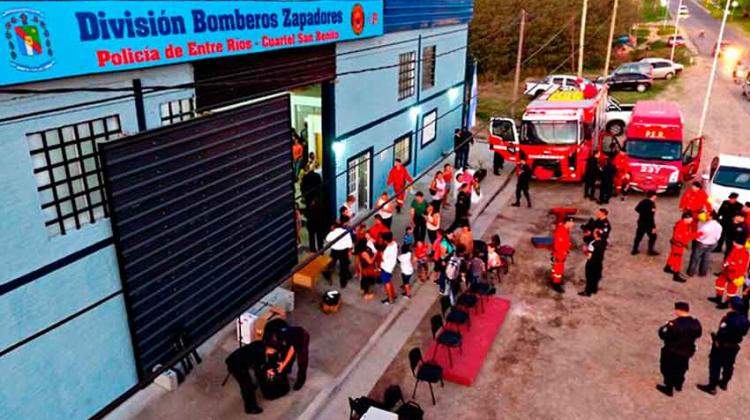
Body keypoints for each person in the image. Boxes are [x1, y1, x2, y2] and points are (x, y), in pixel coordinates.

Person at [697, 297, 750, 395]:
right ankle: (724, 383)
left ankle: (712, 386)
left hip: (722, 345)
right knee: (728, 365)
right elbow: (744, 332)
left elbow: (723, 332)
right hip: (734, 346)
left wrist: (716, 339)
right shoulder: (745, 320)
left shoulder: (729, 318)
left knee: (715, 365)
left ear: (731, 305)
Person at [656, 302, 703, 397]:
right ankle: (678, 384)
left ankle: (668, 388)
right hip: (686, 351)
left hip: (672, 351)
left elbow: (663, 335)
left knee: (667, 368)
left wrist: (665, 327)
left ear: (679, 310)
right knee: (682, 368)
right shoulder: (695, 323)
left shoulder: (674, 324)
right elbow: (698, 334)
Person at [263, 318, 311, 391]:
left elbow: (291, 350)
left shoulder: (284, 334)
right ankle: (285, 370)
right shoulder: (268, 333)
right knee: (280, 356)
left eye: (274, 336)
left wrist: (283, 364)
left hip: (301, 337)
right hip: (285, 342)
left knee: (302, 360)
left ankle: (301, 379)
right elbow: (266, 346)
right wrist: (269, 368)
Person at [225, 341, 271, 414]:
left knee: (248, 383)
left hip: (235, 359)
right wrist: (265, 384)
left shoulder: (260, 343)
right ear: (270, 349)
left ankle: (251, 390)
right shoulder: (260, 354)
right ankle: (251, 408)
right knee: (247, 387)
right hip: (237, 366)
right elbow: (258, 372)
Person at [709, 238, 750, 309]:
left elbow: (740, 266)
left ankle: (728, 303)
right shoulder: (736, 248)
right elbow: (730, 258)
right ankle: (718, 297)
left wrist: (729, 264)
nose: (733, 242)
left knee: (731, 290)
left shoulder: (744, 253)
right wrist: (726, 264)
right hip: (727, 271)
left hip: (735, 275)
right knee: (719, 282)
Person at [665, 212, 699, 283]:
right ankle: (676, 275)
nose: (692, 220)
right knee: (678, 260)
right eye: (690, 218)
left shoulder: (682, 223)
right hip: (678, 245)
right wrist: (696, 235)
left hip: (675, 244)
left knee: (672, 255)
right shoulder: (682, 225)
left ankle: (667, 267)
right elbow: (683, 237)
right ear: (685, 218)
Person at [687, 211, 722, 277]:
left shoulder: (706, 227)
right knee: (706, 258)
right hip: (712, 244)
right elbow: (718, 237)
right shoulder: (719, 226)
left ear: (711, 217)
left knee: (695, 258)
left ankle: (690, 272)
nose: (705, 215)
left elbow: (700, 236)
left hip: (702, 243)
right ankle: (703, 273)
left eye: (707, 215)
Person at [324, 221, 353, 287]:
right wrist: (350, 251)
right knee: (343, 267)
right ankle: (343, 283)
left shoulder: (332, 232)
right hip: (343, 251)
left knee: (331, 264)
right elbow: (350, 244)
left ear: (334, 226)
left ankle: (329, 276)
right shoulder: (346, 232)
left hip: (334, 251)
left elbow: (327, 239)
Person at [579, 228, 606, 297]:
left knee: (589, 277)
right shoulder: (603, 241)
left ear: (596, 235)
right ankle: (594, 289)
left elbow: (589, 256)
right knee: (595, 277)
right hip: (599, 262)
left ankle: (587, 292)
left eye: (594, 232)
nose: (593, 233)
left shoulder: (593, 244)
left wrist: (585, 250)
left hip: (591, 263)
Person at [551, 217, 574, 293]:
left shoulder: (565, 229)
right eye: (571, 223)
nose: (573, 224)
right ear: (567, 222)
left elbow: (565, 241)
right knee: (558, 270)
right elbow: (557, 245)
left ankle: (555, 280)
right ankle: (556, 284)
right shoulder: (561, 231)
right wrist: (564, 251)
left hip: (561, 254)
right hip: (559, 254)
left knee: (557, 269)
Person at [632, 191, 659, 255]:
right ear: (653, 196)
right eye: (655, 195)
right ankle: (650, 251)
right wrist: (653, 227)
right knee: (653, 236)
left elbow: (636, 209)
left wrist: (643, 213)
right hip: (648, 224)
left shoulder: (643, 201)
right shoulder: (652, 204)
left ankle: (634, 250)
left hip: (641, 221)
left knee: (638, 236)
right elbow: (651, 217)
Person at [355, 232, 378, 300]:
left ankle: (362, 289)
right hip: (367, 267)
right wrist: (375, 255)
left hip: (363, 266)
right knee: (366, 281)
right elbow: (370, 261)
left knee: (364, 279)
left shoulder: (360, 251)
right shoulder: (364, 253)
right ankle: (366, 294)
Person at [380, 232, 399, 304]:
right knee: (389, 280)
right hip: (391, 266)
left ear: (385, 240)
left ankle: (390, 299)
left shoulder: (387, 250)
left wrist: (381, 254)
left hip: (386, 267)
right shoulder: (394, 244)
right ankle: (393, 294)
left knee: (386, 283)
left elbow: (382, 258)